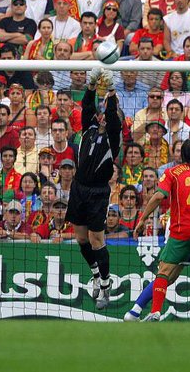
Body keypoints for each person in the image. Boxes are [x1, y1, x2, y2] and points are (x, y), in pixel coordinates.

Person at [134, 139, 190, 322]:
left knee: (164, 271)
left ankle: (155, 311)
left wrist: (142, 219)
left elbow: (158, 196)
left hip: (182, 231)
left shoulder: (172, 173)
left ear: (181, 156)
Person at [66, 66, 121, 309]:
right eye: (101, 115)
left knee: (97, 239)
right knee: (81, 239)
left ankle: (106, 286)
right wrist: (90, 86)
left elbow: (112, 117)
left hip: (98, 192)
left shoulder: (113, 139)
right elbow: (87, 107)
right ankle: (97, 275)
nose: (102, 117)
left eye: (106, 116)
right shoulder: (87, 129)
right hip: (78, 188)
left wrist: (110, 91)